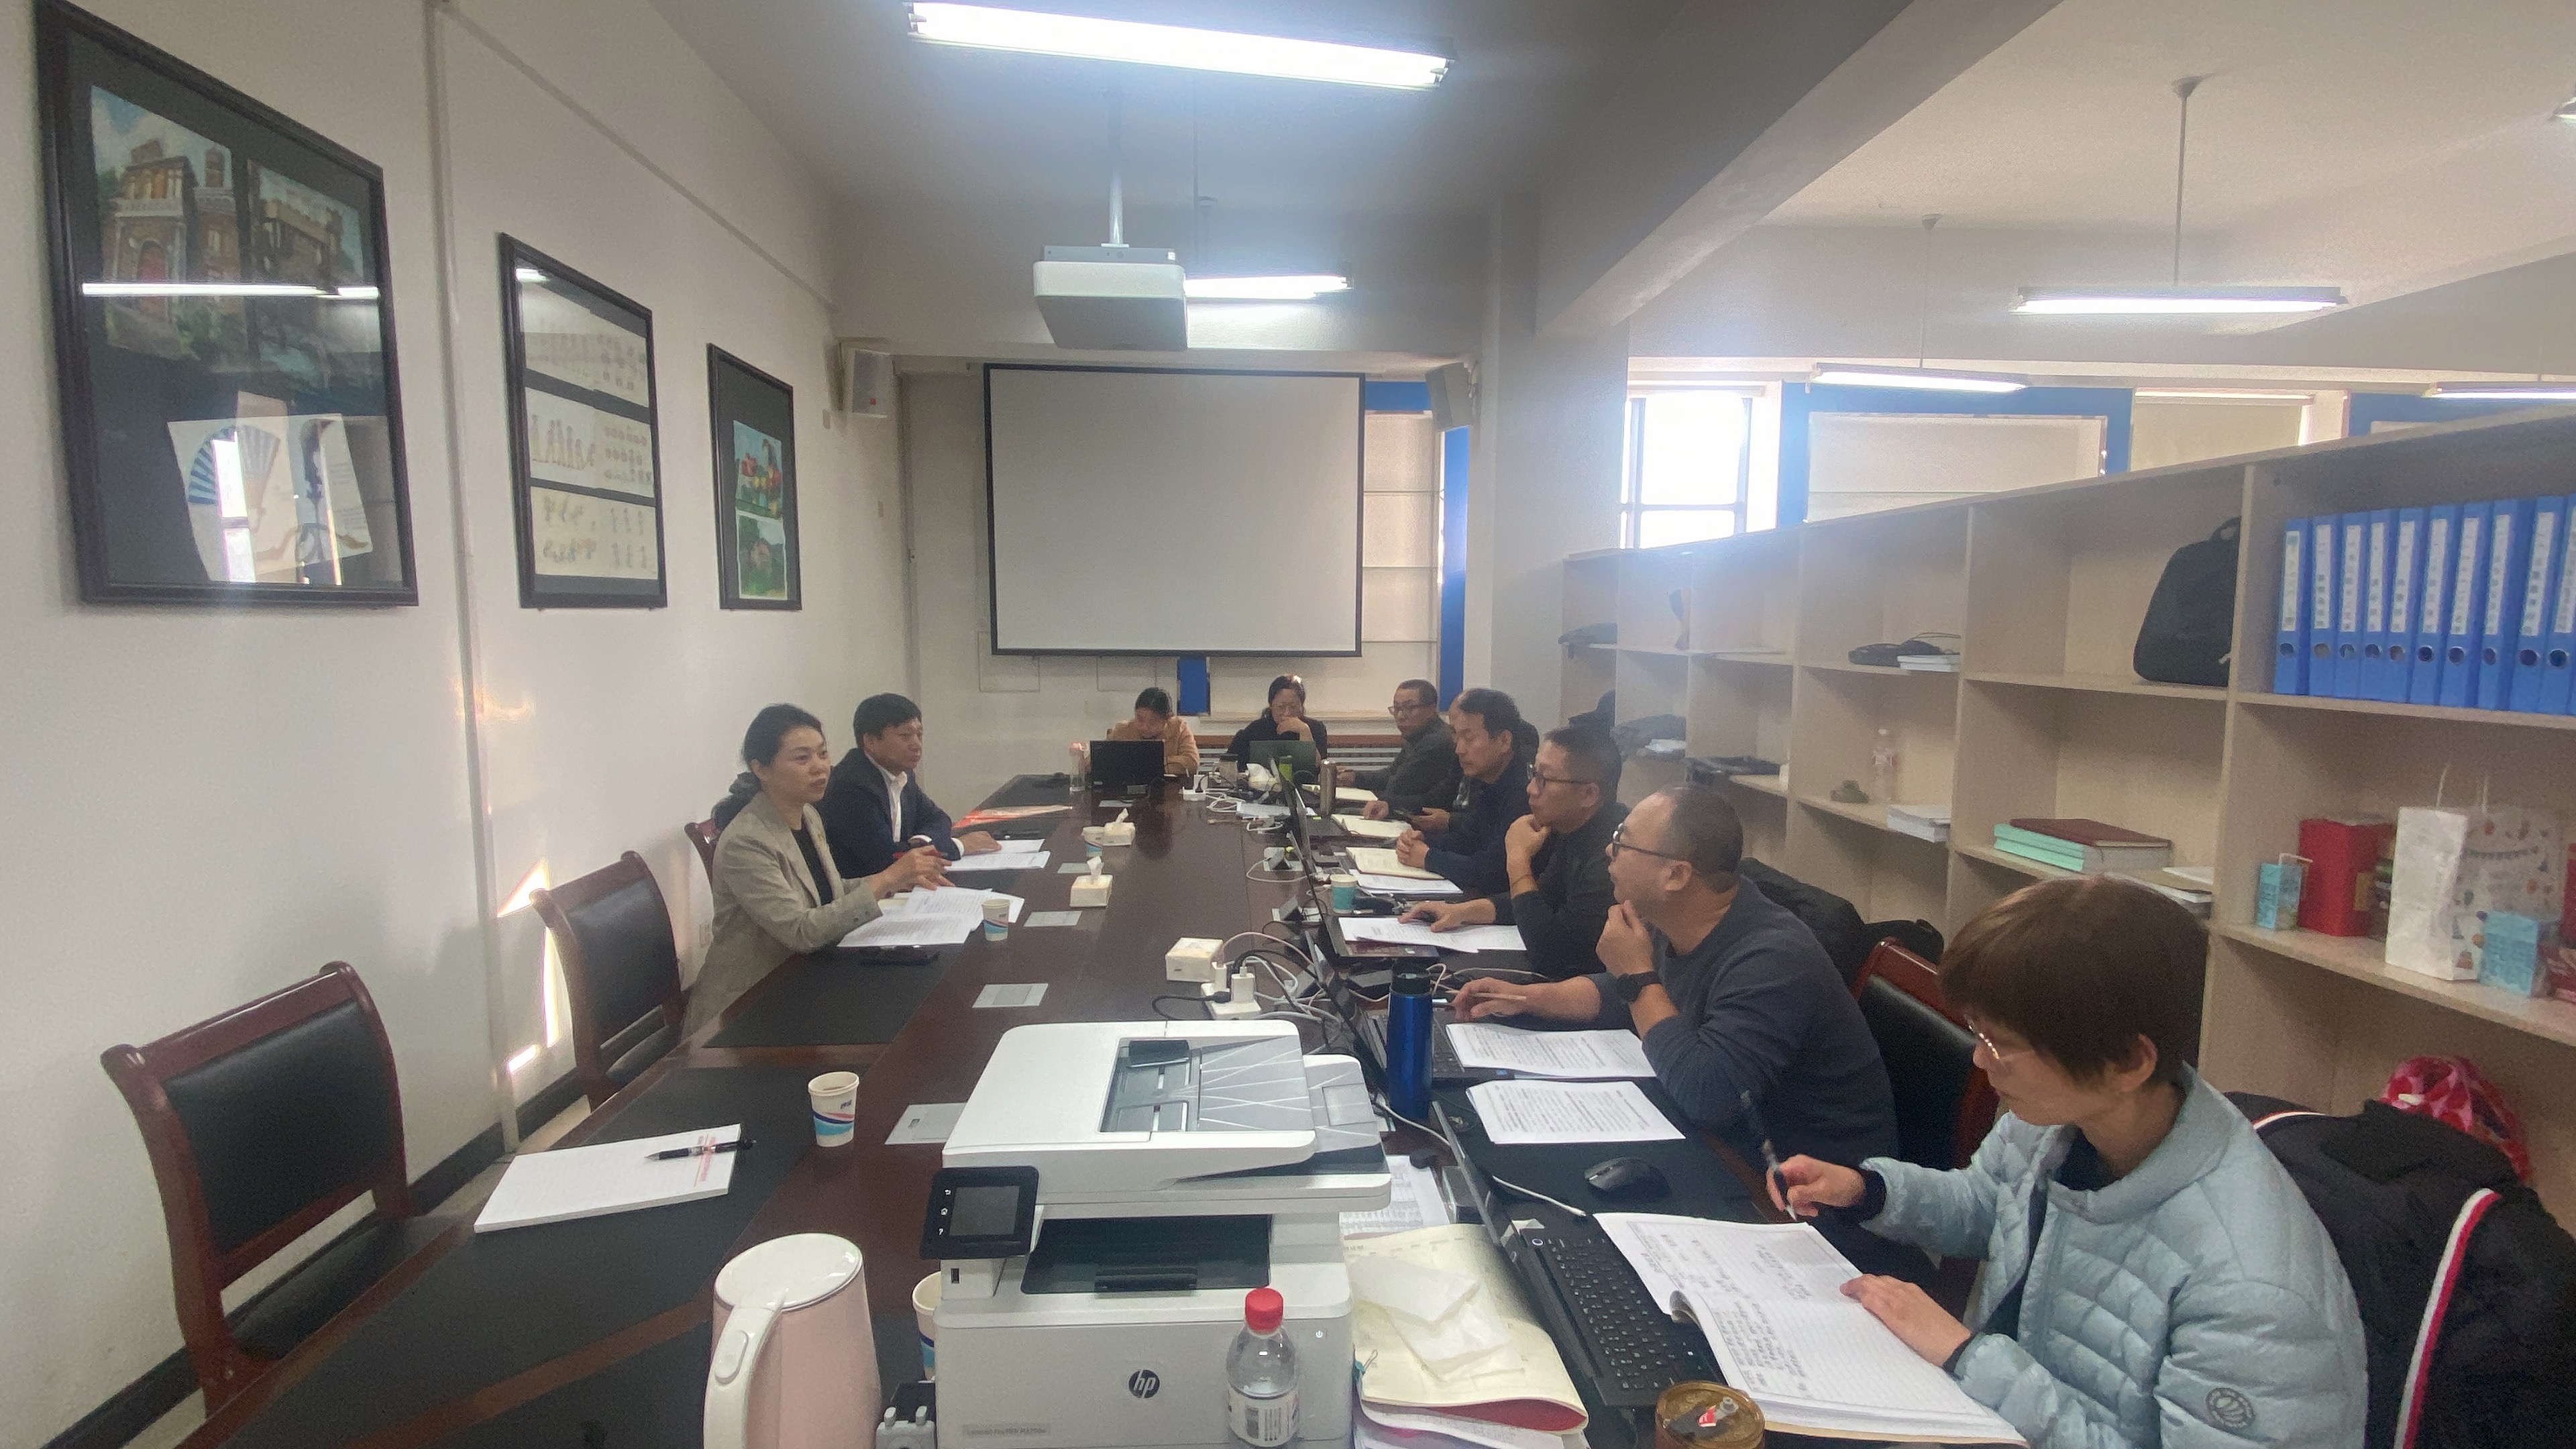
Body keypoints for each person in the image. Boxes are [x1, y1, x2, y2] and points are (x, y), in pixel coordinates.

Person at [1772, 878, 2368, 1449]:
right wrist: (1867, 1190)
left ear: (2127, 1063)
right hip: (1987, 1418)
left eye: (2001, 1042)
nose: (1980, 1059)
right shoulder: (2061, 1120)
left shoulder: (2253, 1295)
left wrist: (1967, 1356)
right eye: (1979, 1033)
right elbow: (1989, 1204)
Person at [1449, 784, 1898, 1175]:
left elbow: (1709, 1095)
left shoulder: (1772, 958)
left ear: (1677, 874)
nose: (1608, 852)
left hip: (1804, 1192)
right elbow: (1618, 995)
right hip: (1726, 1146)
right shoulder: (1679, 917)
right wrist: (1529, 997)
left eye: (1622, 842)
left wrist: (1636, 975)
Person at [692, 705, 951, 1031]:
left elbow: (829, 891)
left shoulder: (808, 815)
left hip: (806, 974)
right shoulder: (747, 841)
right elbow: (802, 931)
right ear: (761, 769)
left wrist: (896, 882)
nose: (820, 767)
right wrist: (889, 877)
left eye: (823, 754)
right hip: (750, 1003)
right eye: (803, 758)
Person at [1401, 724, 1625, 980]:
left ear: (1589, 794)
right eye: (1533, 774)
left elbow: (1553, 955)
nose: (1531, 789)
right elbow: (1543, 898)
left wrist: (1518, 860)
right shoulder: (1572, 827)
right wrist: (1462, 912)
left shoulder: (1613, 855)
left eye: (1544, 779)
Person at [817, 694, 998, 878]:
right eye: (905, 736)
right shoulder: (851, 787)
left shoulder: (902, 774)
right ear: (871, 741)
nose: (917, 745)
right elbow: (888, 859)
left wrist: (918, 843)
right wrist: (958, 846)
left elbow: (939, 819)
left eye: (919, 735)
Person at [1393, 688, 1529, 894]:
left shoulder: (1524, 793)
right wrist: (1421, 840)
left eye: (1469, 738)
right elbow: (1468, 839)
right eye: (1457, 737)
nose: (1459, 750)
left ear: (1504, 741)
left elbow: (1495, 872)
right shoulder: (1490, 782)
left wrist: (1428, 857)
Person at [1342, 678, 1460, 820]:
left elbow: (1396, 786)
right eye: (1397, 709)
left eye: (1409, 708)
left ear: (1431, 709)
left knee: (1343, 813)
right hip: (1405, 809)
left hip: (1421, 818)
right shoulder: (1416, 735)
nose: (1400, 716)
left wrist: (1382, 802)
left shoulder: (1436, 742)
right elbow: (1392, 773)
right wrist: (1355, 778)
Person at [1222, 674, 1331, 763]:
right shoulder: (1255, 730)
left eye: (1293, 707)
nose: (1287, 713)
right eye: (1281, 707)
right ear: (1271, 705)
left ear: (1302, 706)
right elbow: (1227, 765)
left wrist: (1304, 731)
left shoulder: (1316, 728)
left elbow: (1319, 768)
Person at [1105, 686, 1200, 776]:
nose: (1145, 727)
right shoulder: (1123, 730)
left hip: (1168, 786)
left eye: (1153, 722)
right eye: (1140, 719)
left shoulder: (1179, 728)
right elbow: (1101, 760)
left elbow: (1192, 763)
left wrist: (1150, 763)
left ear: (1168, 718)